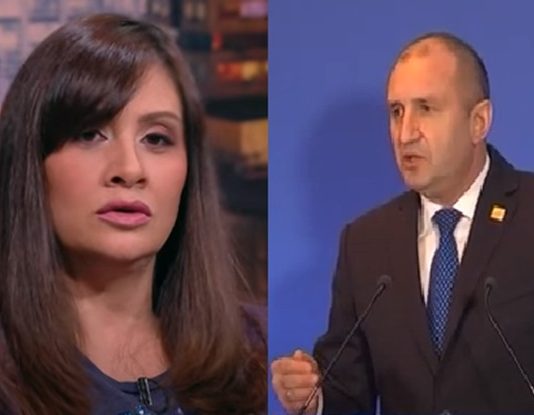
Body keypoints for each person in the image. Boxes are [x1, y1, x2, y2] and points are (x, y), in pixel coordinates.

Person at [0, 13, 266, 415]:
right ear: (31, 160)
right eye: (90, 134)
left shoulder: (259, 357)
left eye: (156, 138)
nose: (129, 168)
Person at [271, 32, 534, 415]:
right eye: (396, 111)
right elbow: (348, 390)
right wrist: (314, 399)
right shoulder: (365, 243)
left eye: (426, 108)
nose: (405, 133)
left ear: (478, 121)